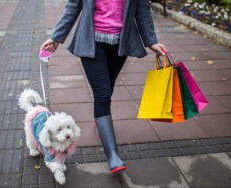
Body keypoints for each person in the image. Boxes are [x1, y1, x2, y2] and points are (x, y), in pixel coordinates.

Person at [41, 0, 166, 174]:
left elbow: (142, 9)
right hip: (91, 43)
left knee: (107, 86)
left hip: (120, 43)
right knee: (103, 94)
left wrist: (151, 41)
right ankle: (113, 156)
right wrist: (56, 37)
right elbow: (73, 6)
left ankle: (100, 119)